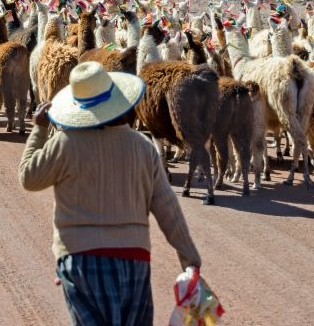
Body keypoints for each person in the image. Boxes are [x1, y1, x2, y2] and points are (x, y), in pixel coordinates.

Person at [19, 61, 202, 326]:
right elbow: (168, 209)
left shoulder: (65, 145)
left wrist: (39, 129)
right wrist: (190, 259)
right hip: (134, 260)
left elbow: (28, 177)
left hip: (80, 260)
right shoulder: (143, 148)